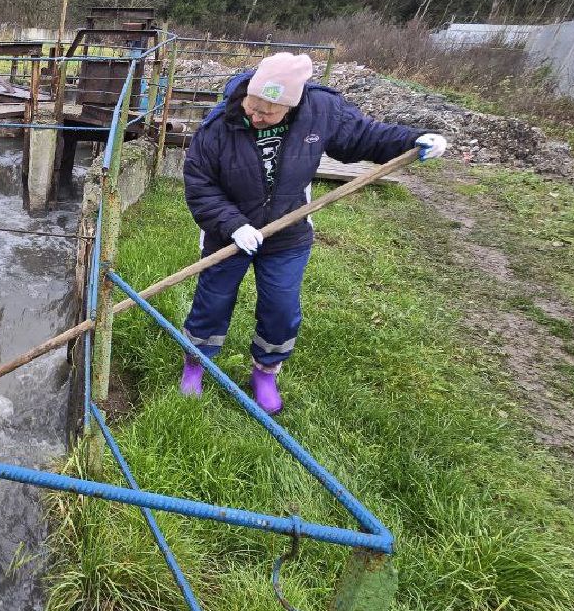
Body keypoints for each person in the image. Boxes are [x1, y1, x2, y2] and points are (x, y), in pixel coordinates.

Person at [180, 51, 447, 415]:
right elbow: (200, 185)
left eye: (267, 113)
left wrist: (414, 140)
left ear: (290, 107)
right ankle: (196, 363)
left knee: (281, 308)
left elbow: (365, 137)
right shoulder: (220, 124)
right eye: (252, 106)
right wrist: (234, 225)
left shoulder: (320, 111)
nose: (255, 117)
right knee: (212, 301)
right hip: (228, 233)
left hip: (287, 233)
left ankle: (265, 373)